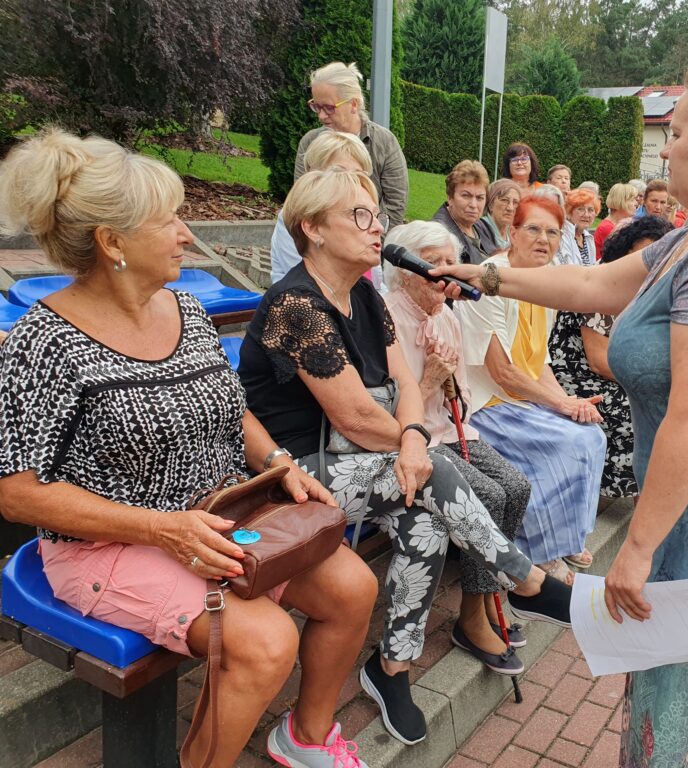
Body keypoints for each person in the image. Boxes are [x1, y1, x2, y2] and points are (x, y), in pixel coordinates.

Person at [433, 59, 688, 766]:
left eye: (678, 132)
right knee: (677, 691)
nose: (667, 149)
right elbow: (591, 283)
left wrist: (634, 549)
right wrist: (486, 274)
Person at [0, 128, 377, 768]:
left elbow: (232, 408)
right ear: (112, 242)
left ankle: (307, 739)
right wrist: (162, 529)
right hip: (109, 544)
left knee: (353, 588)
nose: (186, 234)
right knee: (265, 642)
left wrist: (277, 464)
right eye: (169, 220)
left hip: (215, 515)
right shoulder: (45, 341)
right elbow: (17, 494)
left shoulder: (185, 308)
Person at [238, 167, 570, 746]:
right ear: (313, 227)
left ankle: (391, 666)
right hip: (293, 473)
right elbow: (354, 417)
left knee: (426, 518)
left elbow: (405, 385)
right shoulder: (296, 303)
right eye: (360, 215)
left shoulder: (364, 293)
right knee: (436, 472)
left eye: (378, 215)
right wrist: (417, 445)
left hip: (368, 458)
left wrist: (414, 439)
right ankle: (524, 578)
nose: (378, 227)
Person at [381, 220, 534, 673]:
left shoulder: (446, 316)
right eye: (436, 263)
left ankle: (487, 598)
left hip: (451, 430)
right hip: (413, 440)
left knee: (516, 485)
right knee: (487, 495)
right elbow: (389, 413)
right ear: (407, 270)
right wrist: (429, 380)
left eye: (452, 261)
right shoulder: (387, 318)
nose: (448, 272)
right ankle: (471, 617)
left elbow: (463, 395)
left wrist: (451, 387)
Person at [454, 195, 607, 585]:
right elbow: (502, 372)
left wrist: (567, 401)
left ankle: (567, 536)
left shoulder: (546, 280)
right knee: (564, 444)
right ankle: (540, 550)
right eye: (534, 229)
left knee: (592, 436)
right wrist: (560, 404)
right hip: (486, 404)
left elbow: (539, 363)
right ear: (512, 232)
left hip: (519, 398)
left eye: (553, 233)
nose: (544, 240)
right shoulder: (490, 278)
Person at [549, 216, 672, 497]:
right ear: (625, 251)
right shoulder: (604, 284)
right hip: (578, 375)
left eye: (659, 256)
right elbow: (598, 360)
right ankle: (637, 495)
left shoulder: (647, 288)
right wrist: (650, 380)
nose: (649, 262)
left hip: (615, 372)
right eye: (642, 254)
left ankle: (651, 494)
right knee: (640, 413)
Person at [294, 61, 408, 226]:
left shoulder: (384, 143)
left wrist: (372, 237)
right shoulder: (310, 143)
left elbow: (395, 206)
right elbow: (301, 200)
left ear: (353, 104)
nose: (321, 116)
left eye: (329, 108)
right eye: (316, 106)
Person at [273, 130, 372, 284]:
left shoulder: (364, 217)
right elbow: (308, 280)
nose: (350, 181)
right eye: (340, 172)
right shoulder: (297, 217)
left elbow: (376, 282)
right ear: (315, 175)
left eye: (358, 174)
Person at [433, 160, 498, 265]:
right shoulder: (439, 234)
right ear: (450, 197)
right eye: (466, 195)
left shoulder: (485, 227)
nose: (473, 205)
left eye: (480, 198)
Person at [594, 183, 639, 260]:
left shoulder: (620, 224)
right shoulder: (607, 228)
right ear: (620, 202)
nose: (636, 203)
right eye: (632, 200)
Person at [557, 187, 600, 266]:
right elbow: (567, 268)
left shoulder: (588, 237)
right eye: (580, 209)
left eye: (590, 210)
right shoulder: (562, 236)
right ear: (569, 212)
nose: (586, 215)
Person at [480, 178, 520, 253]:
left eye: (515, 202)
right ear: (491, 205)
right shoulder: (479, 229)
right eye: (504, 200)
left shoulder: (512, 232)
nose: (510, 208)